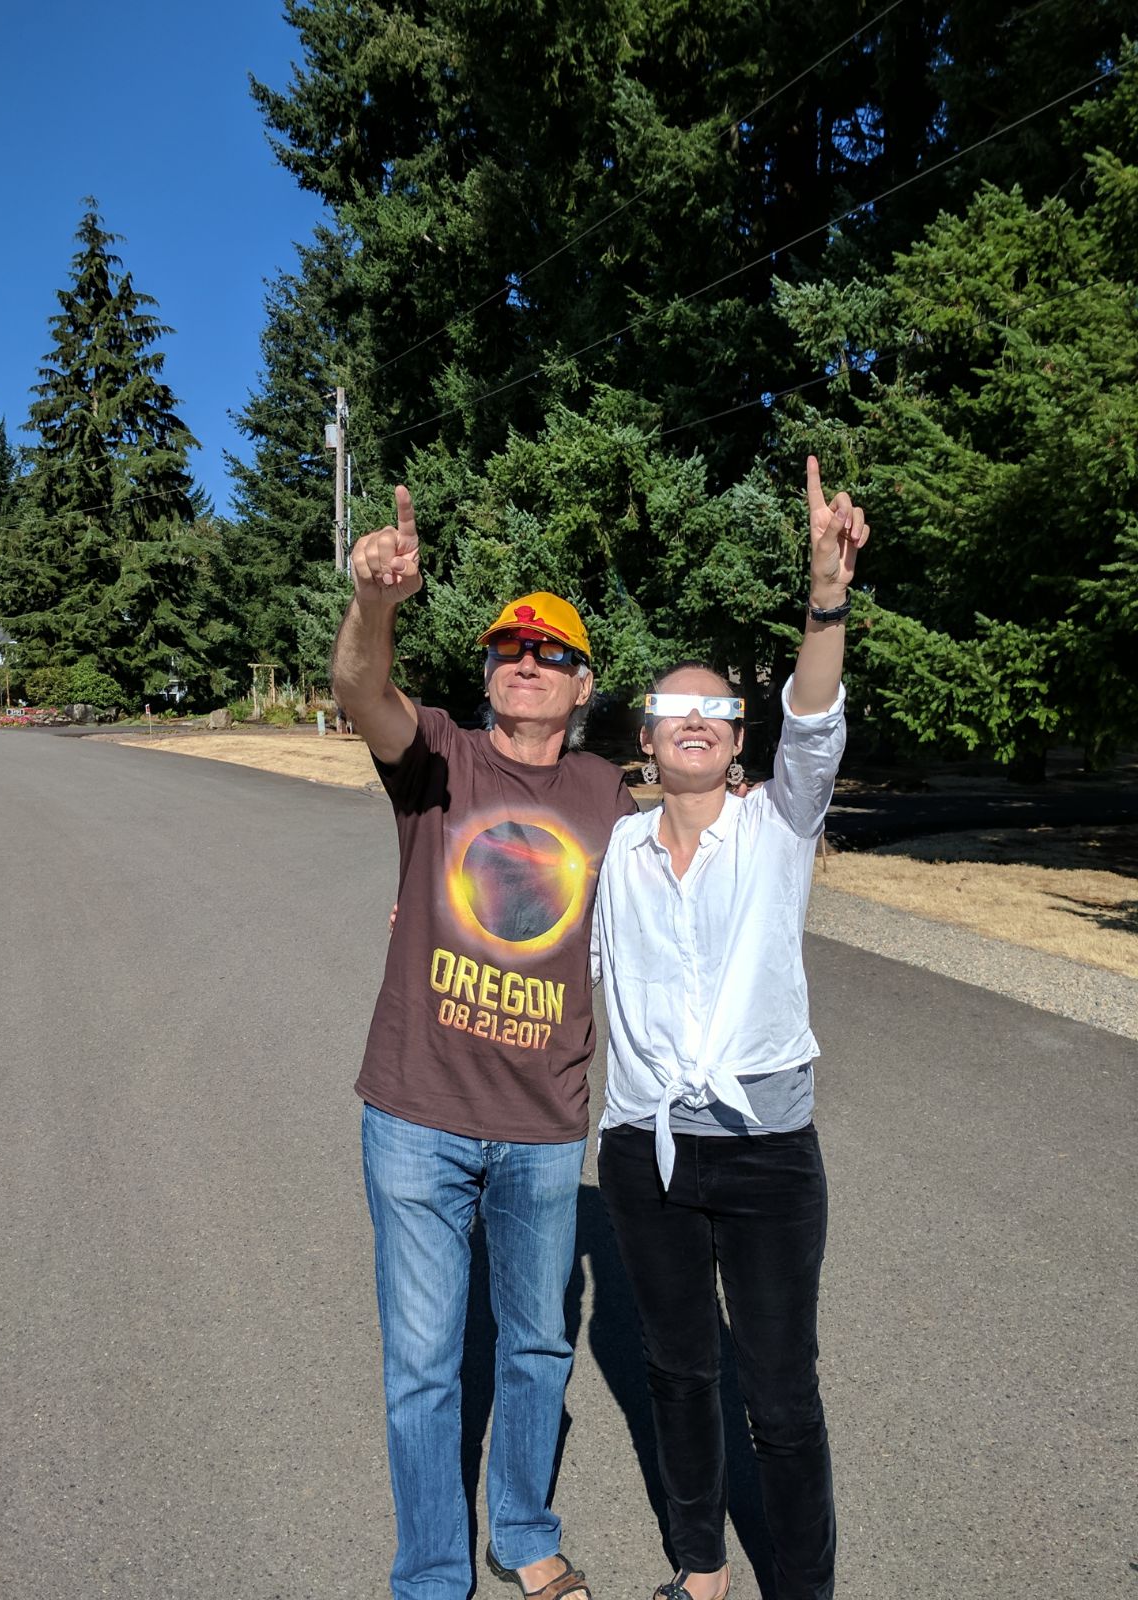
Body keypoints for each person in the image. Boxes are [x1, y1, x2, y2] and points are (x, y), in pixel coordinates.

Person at [332, 485, 635, 1600]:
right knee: (423, 1366)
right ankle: (427, 1573)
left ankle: (521, 1527)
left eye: (550, 650)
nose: (526, 658)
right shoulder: (440, 758)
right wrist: (375, 600)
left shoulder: (611, 794)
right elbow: (360, 685)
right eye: (509, 643)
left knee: (537, 1348)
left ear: (582, 684)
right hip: (414, 1112)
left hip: (546, 1126)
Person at [592, 457, 868, 1600]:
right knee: (676, 1368)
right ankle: (699, 1570)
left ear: (737, 734)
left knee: (781, 1389)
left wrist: (826, 597)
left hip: (764, 1145)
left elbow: (818, 718)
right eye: (671, 711)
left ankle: (800, 1587)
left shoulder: (779, 826)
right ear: (646, 741)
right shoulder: (614, 849)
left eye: (713, 709)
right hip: (645, 1145)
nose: (692, 722)